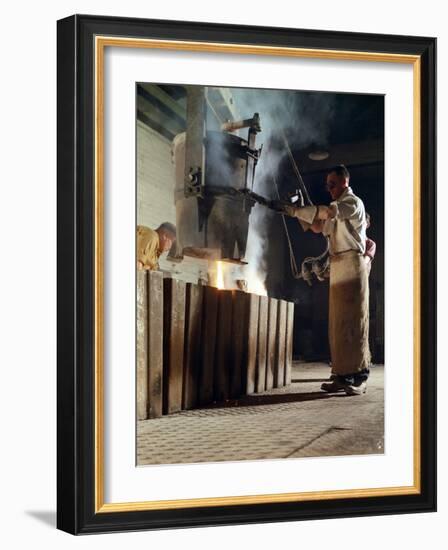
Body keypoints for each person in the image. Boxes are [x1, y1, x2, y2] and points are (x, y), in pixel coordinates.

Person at [278, 165, 371, 396]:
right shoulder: (336, 207)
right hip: (338, 264)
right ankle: (341, 376)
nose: (329, 188)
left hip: (352, 263)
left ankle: (360, 377)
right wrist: (295, 211)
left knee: (354, 323)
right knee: (338, 325)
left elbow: (327, 213)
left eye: (333, 184)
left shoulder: (351, 203)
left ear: (344, 183)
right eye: (327, 184)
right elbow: (318, 226)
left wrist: (298, 211)